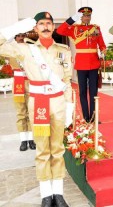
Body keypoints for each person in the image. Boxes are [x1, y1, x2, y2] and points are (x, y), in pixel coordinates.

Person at [0, 12, 73, 206]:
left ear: (53, 27)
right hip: (38, 102)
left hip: (58, 102)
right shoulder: (24, 49)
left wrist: (70, 108)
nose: (46, 26)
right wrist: (16, 28)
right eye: (41, 24)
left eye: (49, 23)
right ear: (35, 28)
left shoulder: (64, 50)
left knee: (57, 149)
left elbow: (66, 80)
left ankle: (58, 193)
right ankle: (45, 195)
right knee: (42, 150)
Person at [57, 7, 107, 123]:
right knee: (83, 91)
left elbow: (101, 43)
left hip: (94, 63)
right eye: (85, 15)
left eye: (89, 15)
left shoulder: (96, 28)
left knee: (94, 92)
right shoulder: (75, 29)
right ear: (80, 17)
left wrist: (104, 50)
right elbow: (60, 30)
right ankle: (86, 116)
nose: (87, 18)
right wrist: (71, 19)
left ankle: (94, 116)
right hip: (81, 63)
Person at [8, 33, 36, 151]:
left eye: (23, 35)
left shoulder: (31, 49)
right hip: (18, 81)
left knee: (31, 111)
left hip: (30, 81)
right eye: (18, 36)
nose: (21, 38)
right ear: (14, 38)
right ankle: (23, 140)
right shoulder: (10, 50)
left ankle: (31, 139)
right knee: (21, 112)